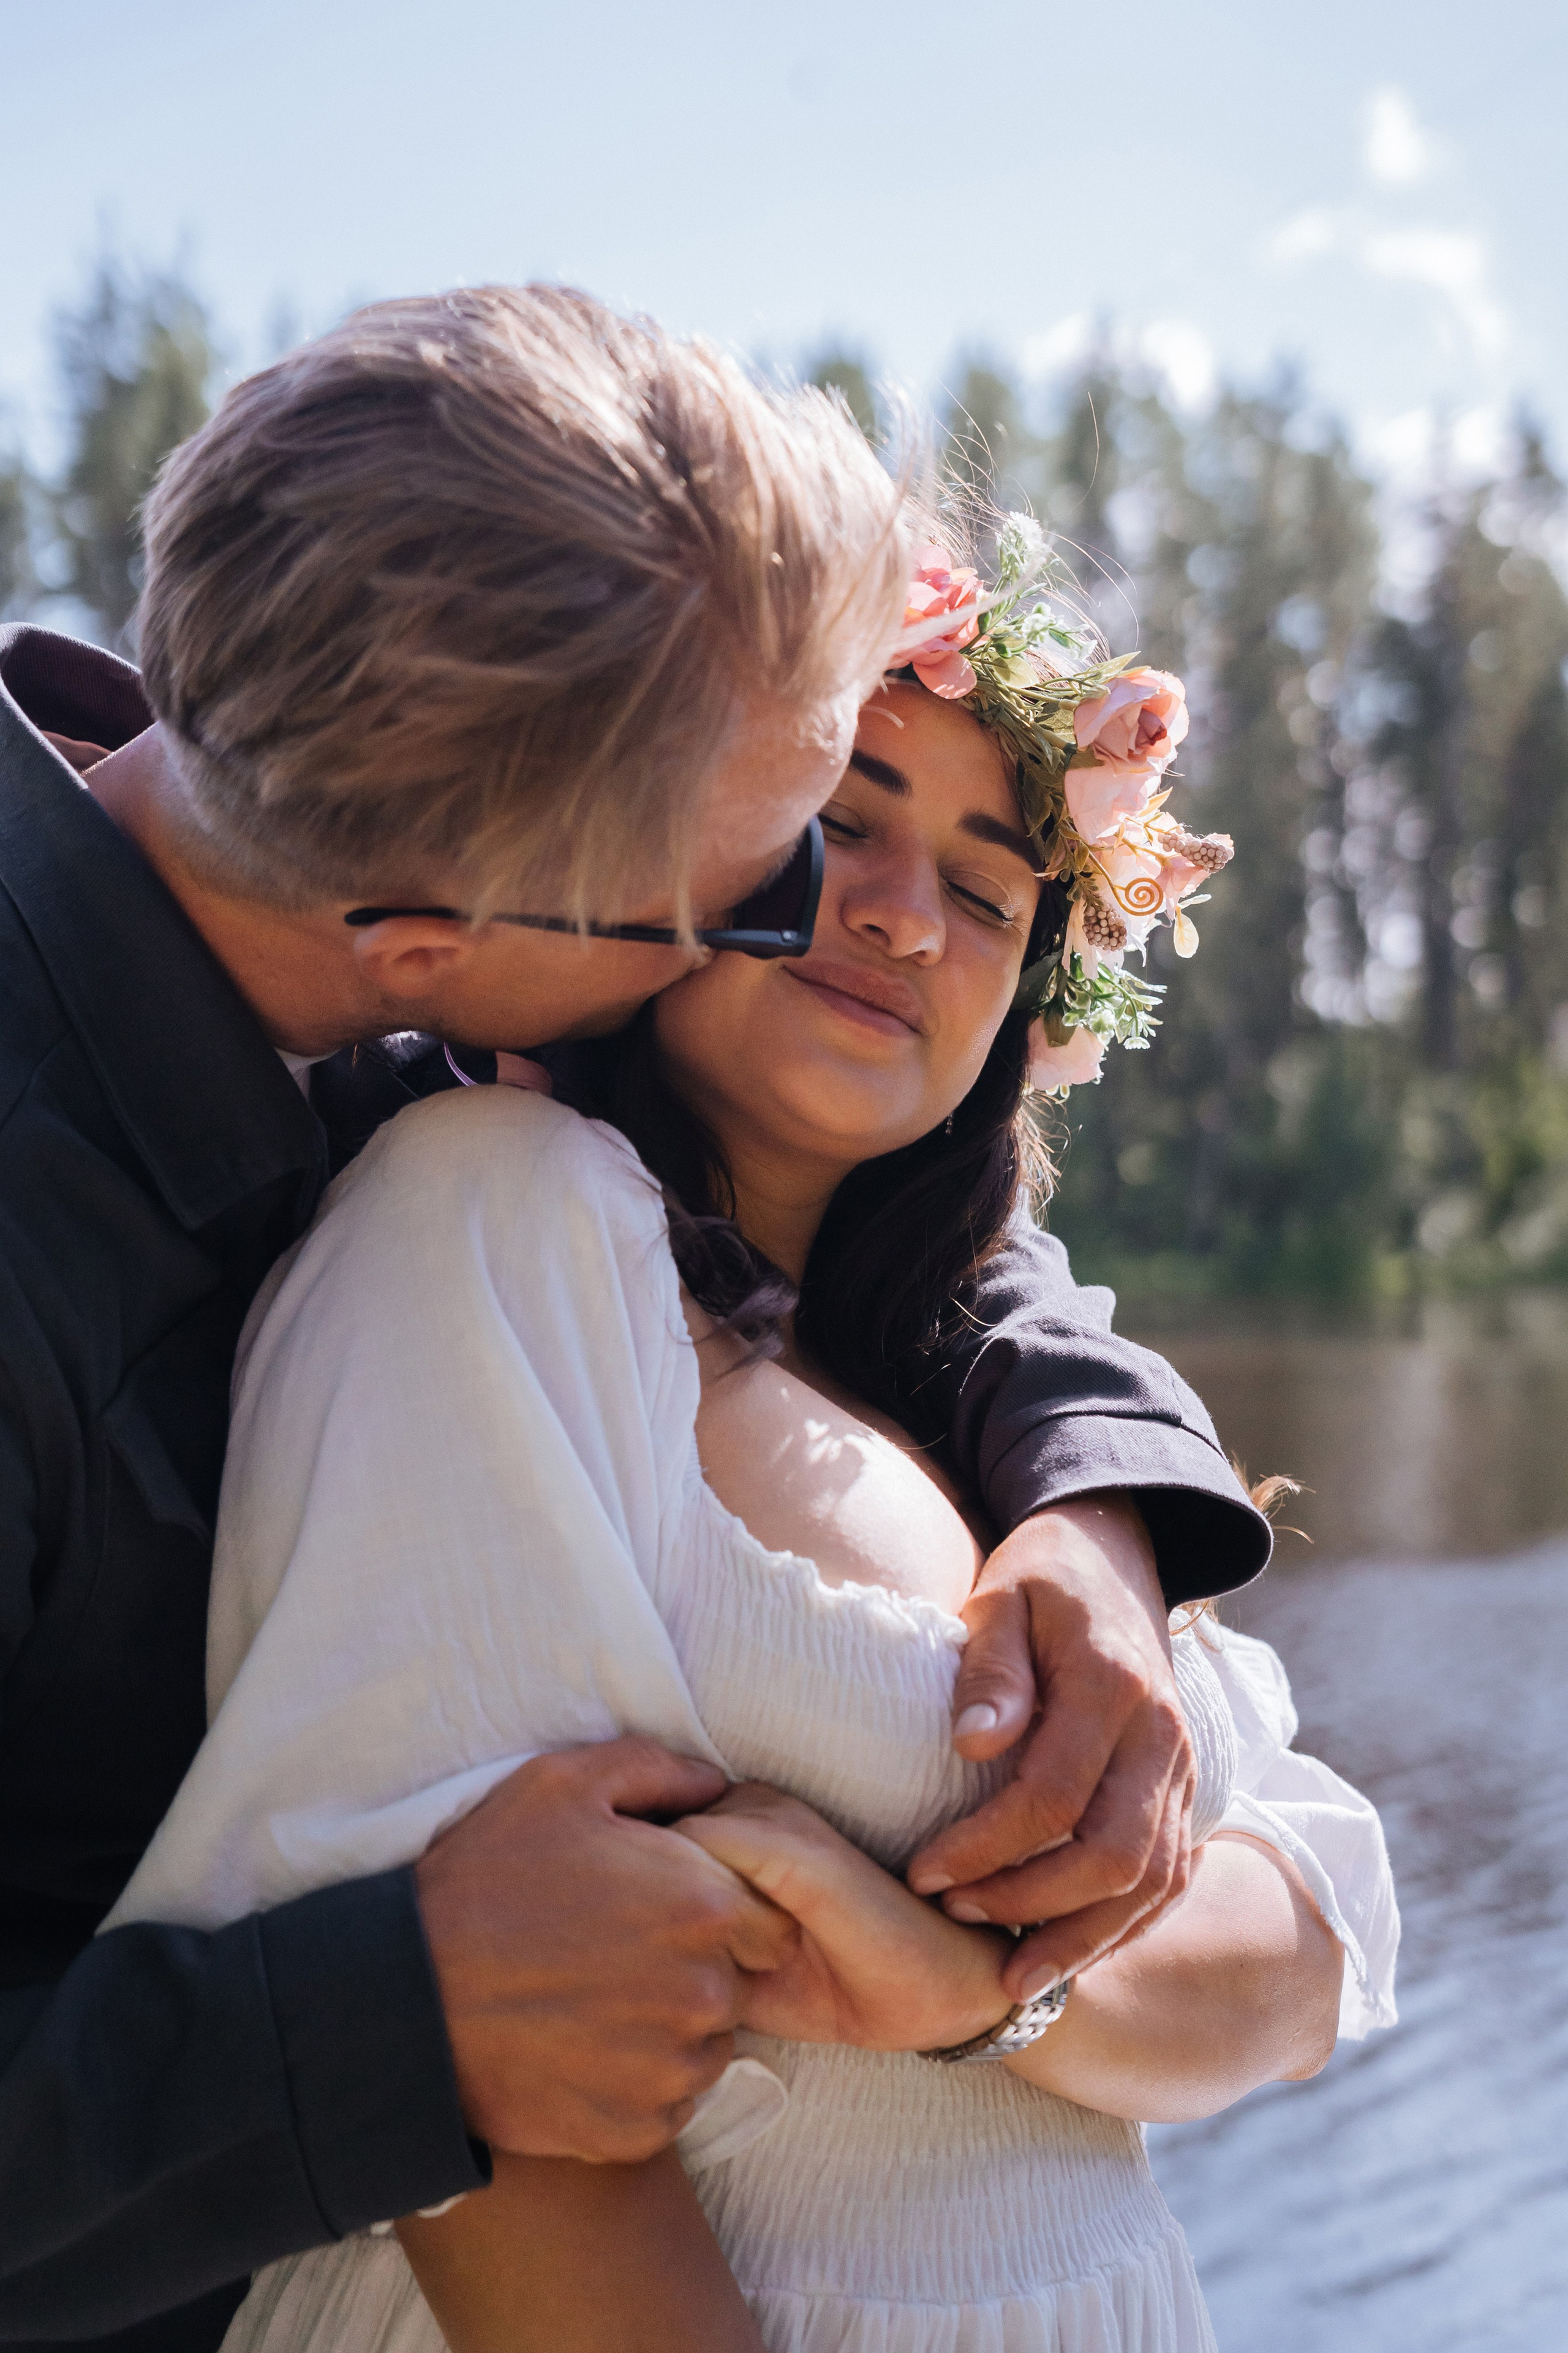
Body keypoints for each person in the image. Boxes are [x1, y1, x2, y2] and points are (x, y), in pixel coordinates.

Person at [0, 288, 1268, 2351]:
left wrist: (1102, 1491)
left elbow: (903, 1227)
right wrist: (394, 2016)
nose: (870, 924)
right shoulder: (406, 1199)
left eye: (987, 889)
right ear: (435, 955)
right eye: (774, 874)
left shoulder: (339, 840)